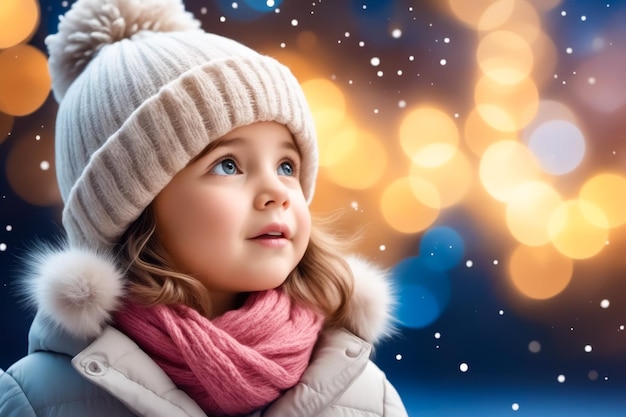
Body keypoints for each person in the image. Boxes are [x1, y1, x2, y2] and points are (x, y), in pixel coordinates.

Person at [0, 0, 408, 415]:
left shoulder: (363, 398)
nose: (278, 192)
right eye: (228, 165)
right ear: (132, 206)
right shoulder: (38, 400)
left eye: (287, 165)